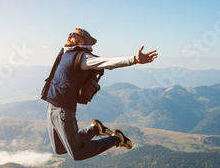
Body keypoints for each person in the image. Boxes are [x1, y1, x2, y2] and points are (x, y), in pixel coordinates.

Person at [42, 28, 158, 161]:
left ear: (82, 41)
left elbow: (107, 63)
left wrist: (134, 59)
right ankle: (95, 129)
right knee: (59, 148)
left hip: (63, 110)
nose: (69, 36)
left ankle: (116, 139)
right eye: (70, 33)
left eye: (74, 35)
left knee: (77, 153)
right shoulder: (66, 53)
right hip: (51, 106)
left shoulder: (83, 58)